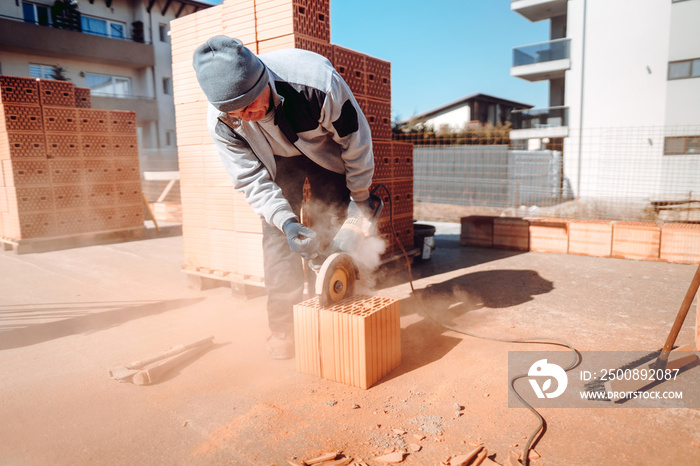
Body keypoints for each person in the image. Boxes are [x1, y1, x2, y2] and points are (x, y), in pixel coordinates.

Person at [192, 36, 375, 359]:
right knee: (278, 240)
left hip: (326, 153)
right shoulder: (222, 122)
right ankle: (284, 328)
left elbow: (356, 141)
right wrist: (287, 223)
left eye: (250, 106)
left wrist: (359, 199)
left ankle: (337, 315)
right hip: (273, 163)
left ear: (262, 81)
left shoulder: (315, 82)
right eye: (236, 114)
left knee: (332, 229)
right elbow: (249, 177)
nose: (246, 117)